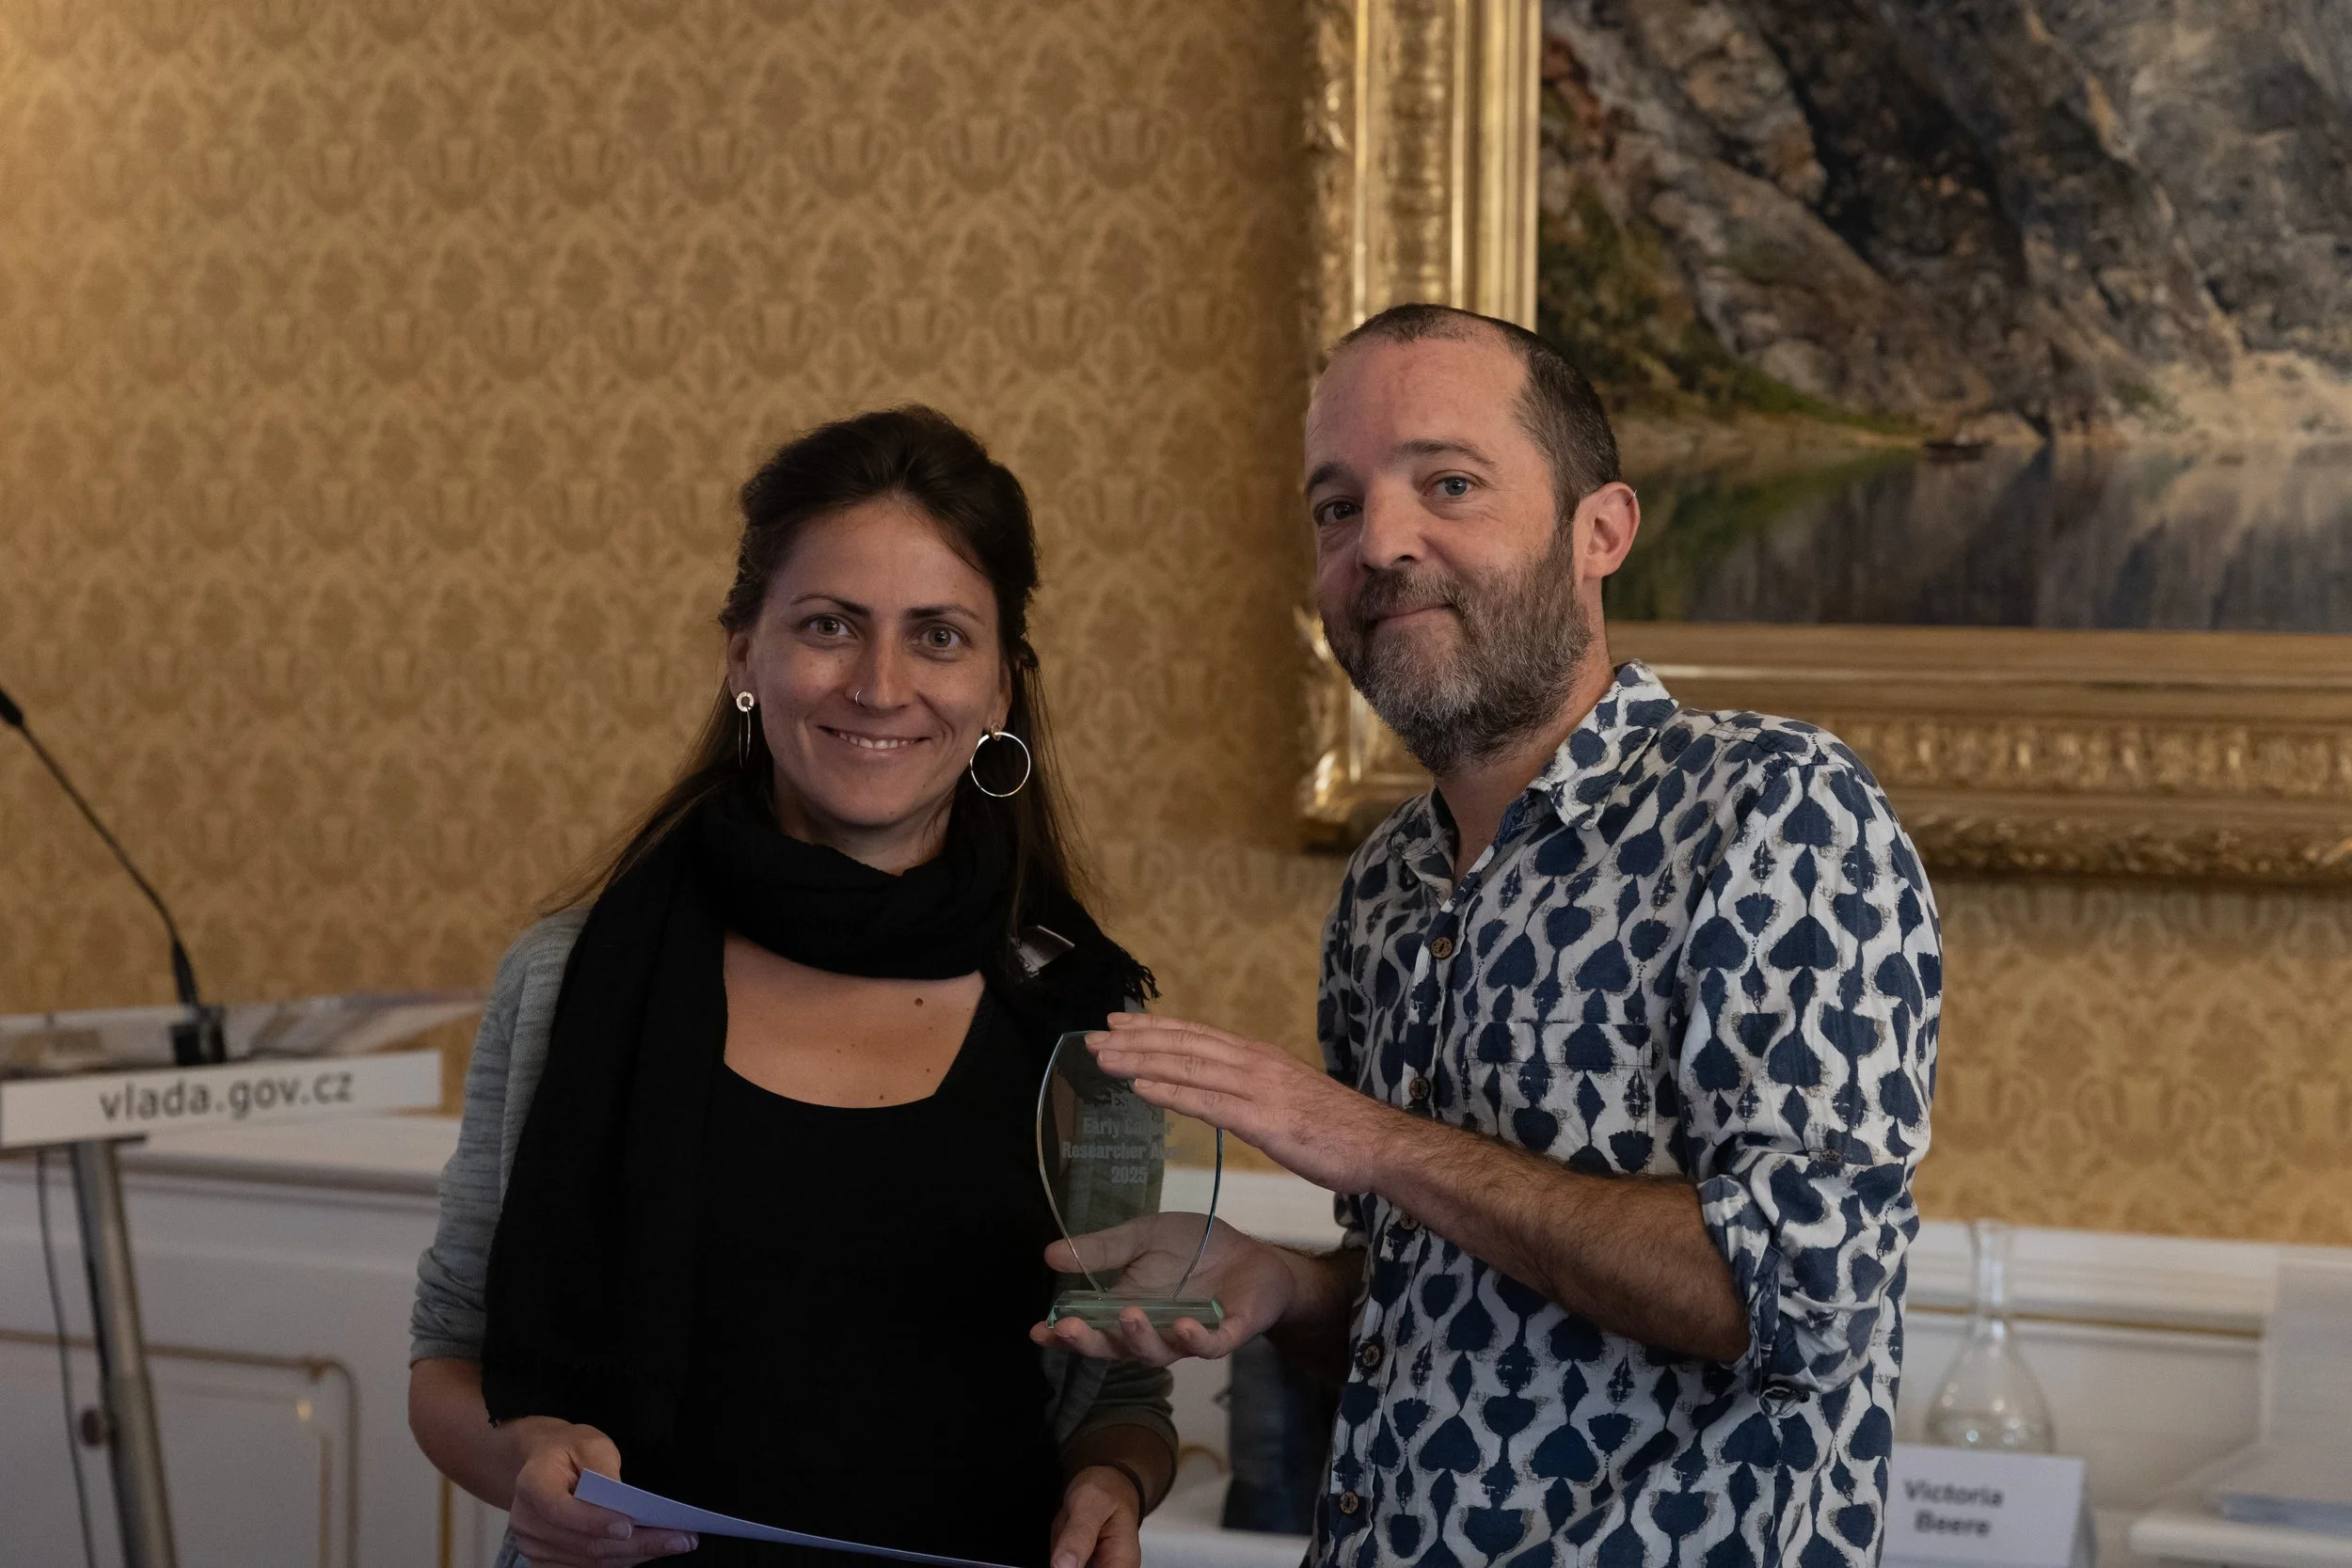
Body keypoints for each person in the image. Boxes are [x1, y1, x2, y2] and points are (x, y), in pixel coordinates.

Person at [1036, 305, 1942, 1568]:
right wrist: (1288, 1286)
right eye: (1335, 507)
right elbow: (1436, 1297)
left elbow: (1800, 1291)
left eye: (1447, 483)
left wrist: (1361, 1134)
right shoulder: (1385, 890)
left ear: (1602, 530)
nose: (1380, 543)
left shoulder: (1776, 808)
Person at [410, 407, 1176, 1568]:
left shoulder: (1085, 1014)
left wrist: (1113, 1479)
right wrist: (529, 1464)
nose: (879, 685)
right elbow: (446, 1358)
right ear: (741, 655)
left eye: (938, 636)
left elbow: (1122, 1386)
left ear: (1002, 689)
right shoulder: (573, 973)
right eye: (828, 624)